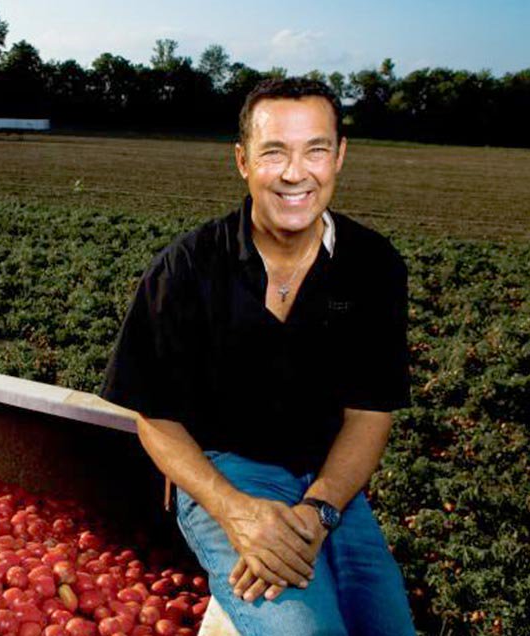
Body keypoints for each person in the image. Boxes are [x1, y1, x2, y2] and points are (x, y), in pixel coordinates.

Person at [100, 77, 417, 635]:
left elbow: (370, 413)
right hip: (227, 474)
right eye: (275, 152)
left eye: (315, 149)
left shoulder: (374, 266)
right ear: (243, 161)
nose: (296, 173)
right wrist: (236, 513)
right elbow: (153, 416)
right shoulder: (185, 269)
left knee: (387, 628)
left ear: (339, 156)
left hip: (330, 482)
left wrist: (318, 511)